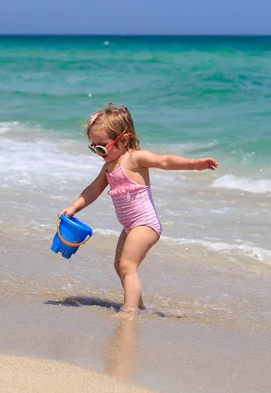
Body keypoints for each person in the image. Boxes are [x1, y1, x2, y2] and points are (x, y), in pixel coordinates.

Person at [59, 103, 218, 317]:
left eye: (102, 147)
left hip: (145, 224)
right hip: (130, 226)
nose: (98, 152)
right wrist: (73, 207)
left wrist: (194, 164)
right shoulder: (108, 166)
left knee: (127, 265)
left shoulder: (134, 159)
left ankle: (129, 311)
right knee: (120, 266)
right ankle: (140, 307)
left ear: (123, 140)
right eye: (93, 147)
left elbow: (164, 161)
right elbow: (92, 190)